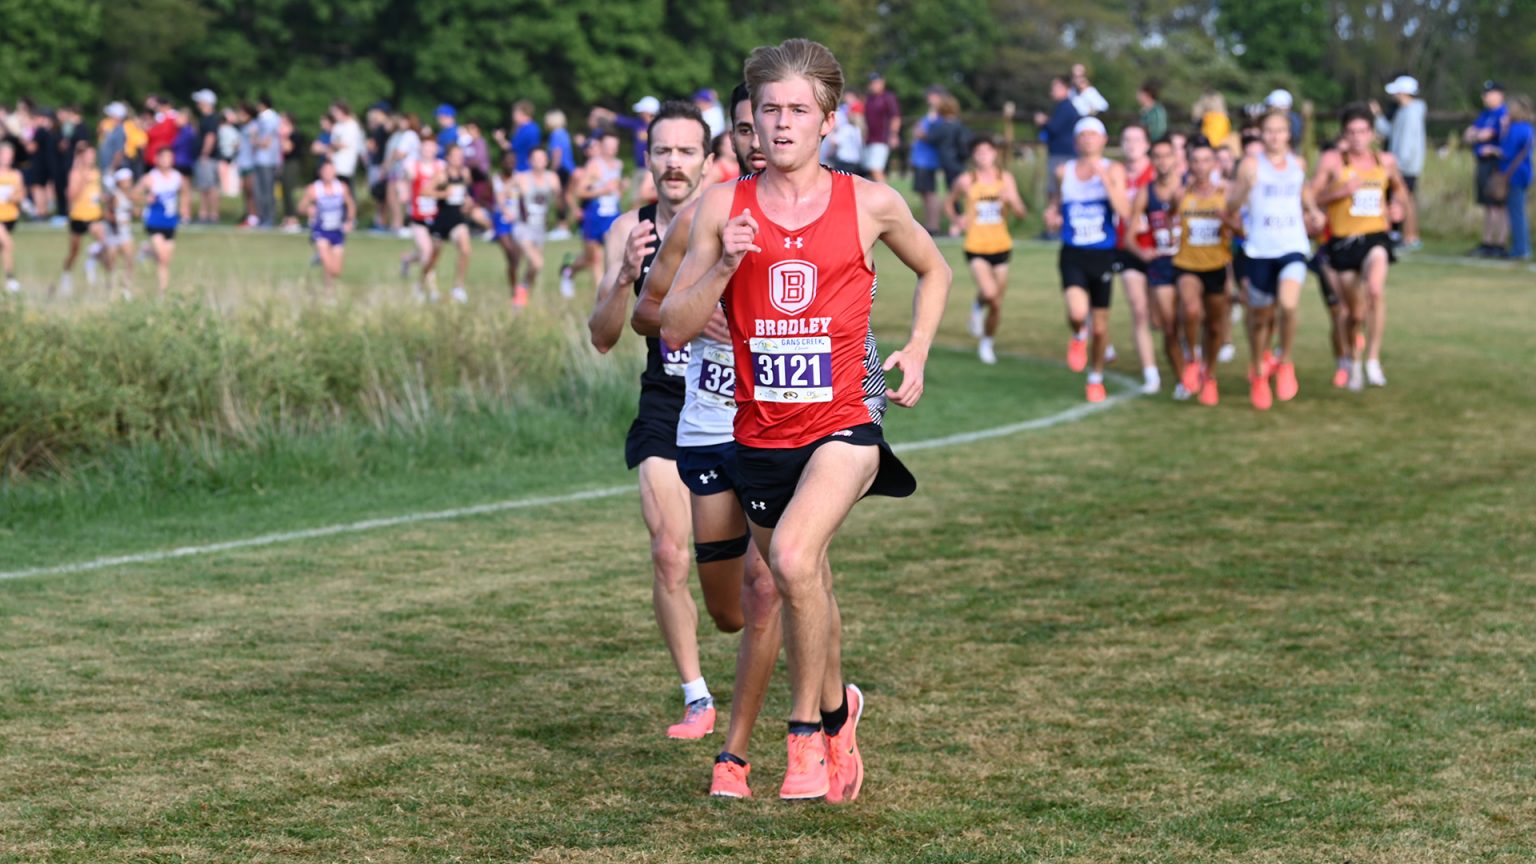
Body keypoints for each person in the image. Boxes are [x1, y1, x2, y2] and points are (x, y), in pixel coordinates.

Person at [662, 38, 950, 803]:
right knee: (807, 580)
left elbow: (934, 268)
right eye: (769, 109)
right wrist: (725, 265)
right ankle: (838, 713)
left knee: (791, 561)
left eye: (798, 109)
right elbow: (673, 328)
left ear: (828, 120)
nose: (782, 123)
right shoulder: (721, 207)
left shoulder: (870, 202)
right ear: (752, 121)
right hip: (759, 435)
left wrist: (919, 348)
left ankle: (806, 738)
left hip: (846, 421)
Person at [632, 83, 782, 799]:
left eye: (772, 124)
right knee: (730, 611)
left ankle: (758, 748)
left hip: (782, 426)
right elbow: (650, 316)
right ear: (732, 140)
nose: (762, 140)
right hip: (706, 425)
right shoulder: (706, 215)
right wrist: (699, 307)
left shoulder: (818, 210)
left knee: (771, 584)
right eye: (747, 129)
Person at [587, 98, 738, 744]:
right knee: (668, 551)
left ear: (708, 160)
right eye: (663, 151)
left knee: (736, 604)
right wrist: (624, 276)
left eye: (686, 151)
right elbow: (602, 336)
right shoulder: (630, 229)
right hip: (667, 405)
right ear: (648, 158)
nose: (674, 163)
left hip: (734, 406)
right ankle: (697, 696)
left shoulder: (733, 217)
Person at [1226, 110, 1325, 410]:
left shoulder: (1298, 163)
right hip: (1260, 249)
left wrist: (1313, 211)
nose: (1274, 136)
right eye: (1269, 130)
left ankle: (1285, 361)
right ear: (1261, 134)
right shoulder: (1250, 165)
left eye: (1280, 130)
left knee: (1289, 303)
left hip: (1292, 246)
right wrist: (1245, 188)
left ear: (1288, 134)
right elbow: (1231, 206)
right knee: (1259, 318)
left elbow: (1303, 192)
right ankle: (1258, 369)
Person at [1311, 106, 1413, 391]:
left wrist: (1397, 206)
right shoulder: (1333, 161)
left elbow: (1400, 189)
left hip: (1375, 237)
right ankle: (1352, 362)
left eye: (1363, 131)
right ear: (1344, 134)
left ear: (1372, 134)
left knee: (1376, 290)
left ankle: (1373, 359)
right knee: (1353, 314)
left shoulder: (1385, 161)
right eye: (1352, 132)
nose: (1357, 137)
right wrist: (1340, 192)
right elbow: (1313, 197)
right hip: (1343, 242)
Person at [1044, 117, 1131, 403]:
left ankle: (1095, 378)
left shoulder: (1113, 169)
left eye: (1094, 134)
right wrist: (1053, 215)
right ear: (1075, 140)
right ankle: (1079, 335)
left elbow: (1124, 210)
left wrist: (1104, 178)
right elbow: (1057, 203)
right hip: (1073, 252)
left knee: (1102, 327)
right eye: (1083, 134)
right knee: (1077, 313)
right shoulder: (1064, 171)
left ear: (1104, 140)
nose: (1088, 139)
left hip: (1102, 253)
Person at [947, 135, 1026, 365]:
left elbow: (1021, 213)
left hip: (1001, 245)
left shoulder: (1005, 179)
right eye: (978, 152)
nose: (983, 156)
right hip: (976, 246)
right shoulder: (966, 180)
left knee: (996, 302)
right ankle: (978, 308)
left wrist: (1011, 200)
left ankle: (987, 341)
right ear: (973, 156)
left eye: (987, 151)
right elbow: (949, 202)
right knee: (990, 293)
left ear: (995, 154)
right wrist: (957, 220)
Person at [1170, 140, 1233, 406]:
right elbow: (1170, 221)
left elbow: (1241, 229)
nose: (1200, 166)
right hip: (1187, 263)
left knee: (1216, 326)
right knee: (1191, 309)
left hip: (1216, 264)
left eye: (1206, 160)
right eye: (1195, 161)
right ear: (1189, 164)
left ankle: (1210, 375)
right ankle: (1192, 358)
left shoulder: (1226, 192)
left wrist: (1227, 220)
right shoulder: (1180, 194)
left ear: (1214, 164)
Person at [1128, 136, 1188, 397]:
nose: (1163, 161)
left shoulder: (1187, 187)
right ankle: (1182, 379)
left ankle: (1196, 363)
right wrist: (1143, 252)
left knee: (1192, 316)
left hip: (1189, 263)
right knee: (1169, 325)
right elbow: (1129, 236)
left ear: (1176, 158)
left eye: (1167, 155)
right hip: (1161, 265)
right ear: (1151, 160)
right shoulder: (1146, 192)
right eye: (1158, 156)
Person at [1113, 124, 1162, 393]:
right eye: (1127, 139)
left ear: (1147, 144)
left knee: (1160, 317)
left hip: (1157, 249)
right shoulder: (1116, 174)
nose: (1132, 144)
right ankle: (1150, 373)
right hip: (1128, 248)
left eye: (1137, 139)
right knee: (1139, 309)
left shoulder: (1156, 172)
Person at [560, 131, 625, 299]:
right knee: (592, 258)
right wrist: (602, 191)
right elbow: (578, 192)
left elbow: (615, 189)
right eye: (608, 146)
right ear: (601, 146)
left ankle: (604, 295)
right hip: (594, 215)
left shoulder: (618, 164)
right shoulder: (592, 166)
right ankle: (569, 270)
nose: (612, 149)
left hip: (613, 214)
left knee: (614, 252)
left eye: (615, 146)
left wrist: (620, 189)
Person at [420, 143, 482, 303]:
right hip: (442, 218)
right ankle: (421, 285)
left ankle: (458, 288)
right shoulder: (442, 175)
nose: (459, 159)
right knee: (434, 258)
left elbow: (467, 192)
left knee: (466, 250)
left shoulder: (465, 173)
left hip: (458, 218)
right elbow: (424, 191)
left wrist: (468, 201)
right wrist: (443, 194)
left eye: (461, 156)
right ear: (448, 158)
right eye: (456, 156)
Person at [1371, 76, 1426, 250]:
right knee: (1407, 199)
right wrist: (1378, 115)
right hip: (1404, 164)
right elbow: (1389, 132)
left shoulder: (1411, 113)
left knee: (1405, 200)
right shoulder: (1403, 111)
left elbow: (1408, 144)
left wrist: (1398, 166)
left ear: (1403, 92)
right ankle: (1409, 236)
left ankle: (1410, 238)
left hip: (1405, 166)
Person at [299, 158, 356, 297]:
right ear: (320, 172)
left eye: (331, 170)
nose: (328, 173)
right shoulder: (314, 189)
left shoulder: (341, 188)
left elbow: (350, 204)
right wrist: (308, 210)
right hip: (321, 230)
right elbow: (301, 207)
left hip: (337, 231)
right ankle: (328, 293)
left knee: (336, 271)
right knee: (328, 264)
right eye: (325, 171)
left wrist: (350, 221)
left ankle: (320, 259)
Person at [135, 145, 188, 293]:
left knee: (165, 260)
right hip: (154, 220)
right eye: (163, 157)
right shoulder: (150, 178)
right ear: (157, 159)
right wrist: (145, 199)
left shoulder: (177, 177)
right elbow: (134, 194)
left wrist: (184, 209)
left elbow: (185, 193)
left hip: (170, 221)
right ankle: (162, 291)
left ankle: (147, 251)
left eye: (169, 157)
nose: (166, 160)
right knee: (163, 257)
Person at [1465, 82, 1509, 257]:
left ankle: (1500, 243)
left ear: (1500, 95)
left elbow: (1486, 135)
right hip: (1483, 163)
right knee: (1488, 205)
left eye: (1489, 93)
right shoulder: (1485, 114)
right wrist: (1478, 135)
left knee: (1499, 204)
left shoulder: (1503, 114)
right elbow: (1469, 134)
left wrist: (1479, 135)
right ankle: (1487, 242)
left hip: (1496, 164)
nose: (1485, 97)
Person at [59, 141, 108, 295]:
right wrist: (83, 182)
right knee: (74, 252)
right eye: (88, 155)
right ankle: (66, 275)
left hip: (94, 215)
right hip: (78, 215)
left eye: (93, 155)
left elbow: (96, 193)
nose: (91, 158)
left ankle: (93, 262)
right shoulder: (75, 173)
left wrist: (104, 199)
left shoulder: (96, 172)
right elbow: (71, 196)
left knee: (104, 243)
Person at [1035, 76, 1081, 238]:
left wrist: (1044, 122)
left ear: (1065, 88)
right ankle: (1053, 227)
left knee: (1056, 192)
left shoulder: (1066, 107)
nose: (1051, 91)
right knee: (1055, 191)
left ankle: (1055, 228)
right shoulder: (1062, 106)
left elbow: (1054, 128)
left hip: (1062, 155)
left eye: (1055, 87)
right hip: (1060, 154)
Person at [400, 136, 443, 297]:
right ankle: (431, 289)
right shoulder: (412, 166)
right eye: (425, 146)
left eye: (431, 147)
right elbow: (402, 182)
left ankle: (407, 259)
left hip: (436, 216)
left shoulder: (441, 167)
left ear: (436, 149)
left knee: (430, 253)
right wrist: (403, 192)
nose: (428, 150)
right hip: (417, 216)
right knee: (427, 251)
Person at [1495, 95, 1532, 261]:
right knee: (1519, 211)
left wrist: (1495, 146)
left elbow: (1506, 151)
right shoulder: (1528, 128)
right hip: (1524, 173)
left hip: (1514, 175)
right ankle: (1521, 247)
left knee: (1516, 213)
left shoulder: (1515, 129)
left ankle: (1520, 249)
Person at [516, 147, 560, 291]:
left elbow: (560, 202)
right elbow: (503, 194)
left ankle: (523, 289)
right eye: (535, 159)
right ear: (529, 161)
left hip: (541, 227)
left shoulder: (552, 178)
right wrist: (507, 210)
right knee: (537, 263)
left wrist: (558, 197)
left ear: (546, 161)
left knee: (533, 266)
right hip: (523, 226)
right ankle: (522, 290)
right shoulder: (521, 178)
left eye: (542, 158)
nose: (539, 162)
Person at [491, 153, 530, 307]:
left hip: (517, 220)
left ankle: (516, 290)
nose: (510, 164)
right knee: (511, 253)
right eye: (507, 161)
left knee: (516, 258)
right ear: (502, 163)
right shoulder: (496, 178)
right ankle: (514, 289)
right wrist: (505, 211)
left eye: (513, 161)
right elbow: (498, 198)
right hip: (502, 220)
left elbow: (524, 197)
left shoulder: (519, 177)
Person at [910, 88, 945, 233]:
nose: (928, 98)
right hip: (920, 159)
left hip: (928, 160)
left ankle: (934, 226)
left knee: (930, 193)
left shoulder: (940, 116)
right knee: (924, 193)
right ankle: (929, 225)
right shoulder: (929, 115)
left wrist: (920, 133)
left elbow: (931, 135)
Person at [861, 73, 900, 184]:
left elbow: (895, 117)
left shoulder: (888, 97)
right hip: (870, 139)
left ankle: (887, 193)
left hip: (882, 139)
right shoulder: (869, 99)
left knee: (876, 169)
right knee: (869, 170)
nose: (873, 85)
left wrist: (894, 135)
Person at [544, 110, 576, 238]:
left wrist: (552, 170)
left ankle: (562, 226)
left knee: (560, 198)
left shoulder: (555, 135)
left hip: (561, 169)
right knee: (566, 196)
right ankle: (565, 225)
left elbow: (557, 153)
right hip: (568, 169)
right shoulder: (564, 133)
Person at [191, 90, 221, 223]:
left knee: (209, 187)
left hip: (207, 158)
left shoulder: (211, 119)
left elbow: (210, 137)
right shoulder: (206, 118)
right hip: (205, 157)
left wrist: (204, 154)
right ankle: (204, 214)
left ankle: (211, 215)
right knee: (204, 187)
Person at [329, 101, 366, 194]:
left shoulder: (352, 125)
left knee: (348, 190)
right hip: (335, 163)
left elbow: (344, 144)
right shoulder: (337, 126)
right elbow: (333, 142)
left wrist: (334, 145)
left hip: (347, 164)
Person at [0, 142, 23, 292]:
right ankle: (11, 280)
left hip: (10, 218)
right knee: (8, 244)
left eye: (10, 155)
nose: (7, 158)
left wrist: (12, 197)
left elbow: (21, 195)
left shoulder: (16, 175)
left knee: (4, 248)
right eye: (5, 154)